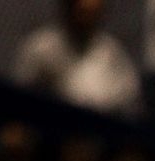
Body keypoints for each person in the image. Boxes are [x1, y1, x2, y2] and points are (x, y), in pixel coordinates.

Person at [13, 0, 142, 115]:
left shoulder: (112, 53)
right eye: (82, 12)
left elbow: (130, 102)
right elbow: (20, 98)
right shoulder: (42, 48)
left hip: (102, 133)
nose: (87, 19)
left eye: (93, 14)